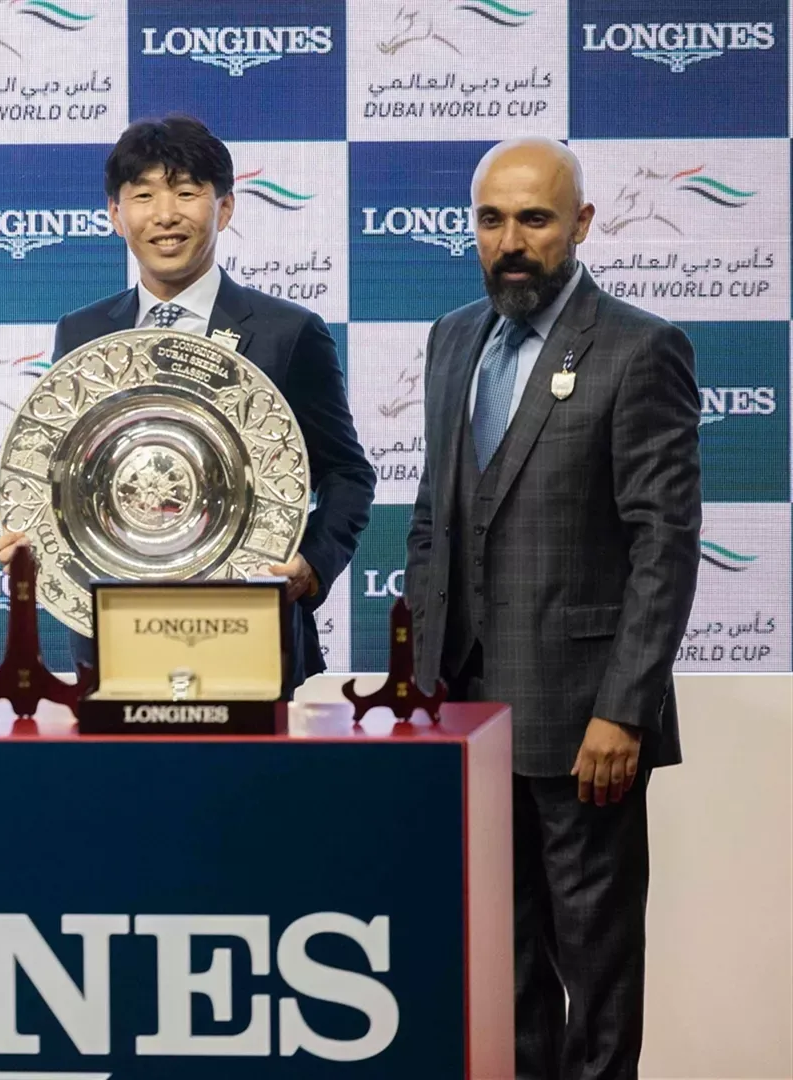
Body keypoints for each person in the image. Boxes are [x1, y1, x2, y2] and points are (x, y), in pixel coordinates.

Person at [405, 136, 698, 1080]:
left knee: (597, 975)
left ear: (580, 224)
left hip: (585, 723)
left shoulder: (640, 348)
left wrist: (625, 709)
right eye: (491, 220)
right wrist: (417, 686)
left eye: (534, 218)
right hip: (467, 716)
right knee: (504, 968)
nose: (511, 241)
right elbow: (431, 521)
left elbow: (665, 545)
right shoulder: (453, 336)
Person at [0, 114, 374, 697]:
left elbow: (347, 474)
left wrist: (313, 565)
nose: (165, 214)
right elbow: (65, 474)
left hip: (248, 639)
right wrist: (35, 541)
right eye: (142, 195)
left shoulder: (287, 332)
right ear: (116, 216)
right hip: (114, 638)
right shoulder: (83, 332)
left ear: (223, 209)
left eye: (187, 192)